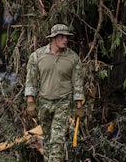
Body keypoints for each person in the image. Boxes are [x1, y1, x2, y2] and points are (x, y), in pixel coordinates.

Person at [24, 24, 84, 161]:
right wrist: (30, 102)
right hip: (44, 102)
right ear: (53, 38)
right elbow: (31, 80)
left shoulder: (73, 58)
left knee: (58, 139)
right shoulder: (37, 56)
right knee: (49, 138)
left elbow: (78, 83)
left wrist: (79, 105)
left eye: (67, 37)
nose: (65, 40)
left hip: (63, 102)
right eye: (61, 37)